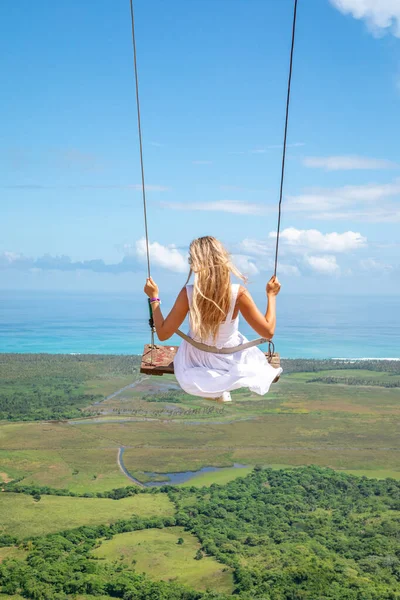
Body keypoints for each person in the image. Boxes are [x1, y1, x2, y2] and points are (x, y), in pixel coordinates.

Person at [144, 236, 282, 402]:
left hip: (194, 362)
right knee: (244, 364)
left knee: (200, 368)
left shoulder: (188, 294)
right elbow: (268, 332)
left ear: (196, 265)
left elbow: (163, 333)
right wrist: (271, 295)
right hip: (229, 360)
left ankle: (213, 390)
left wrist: (154, 298)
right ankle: (218, 387)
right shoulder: (238, 294)